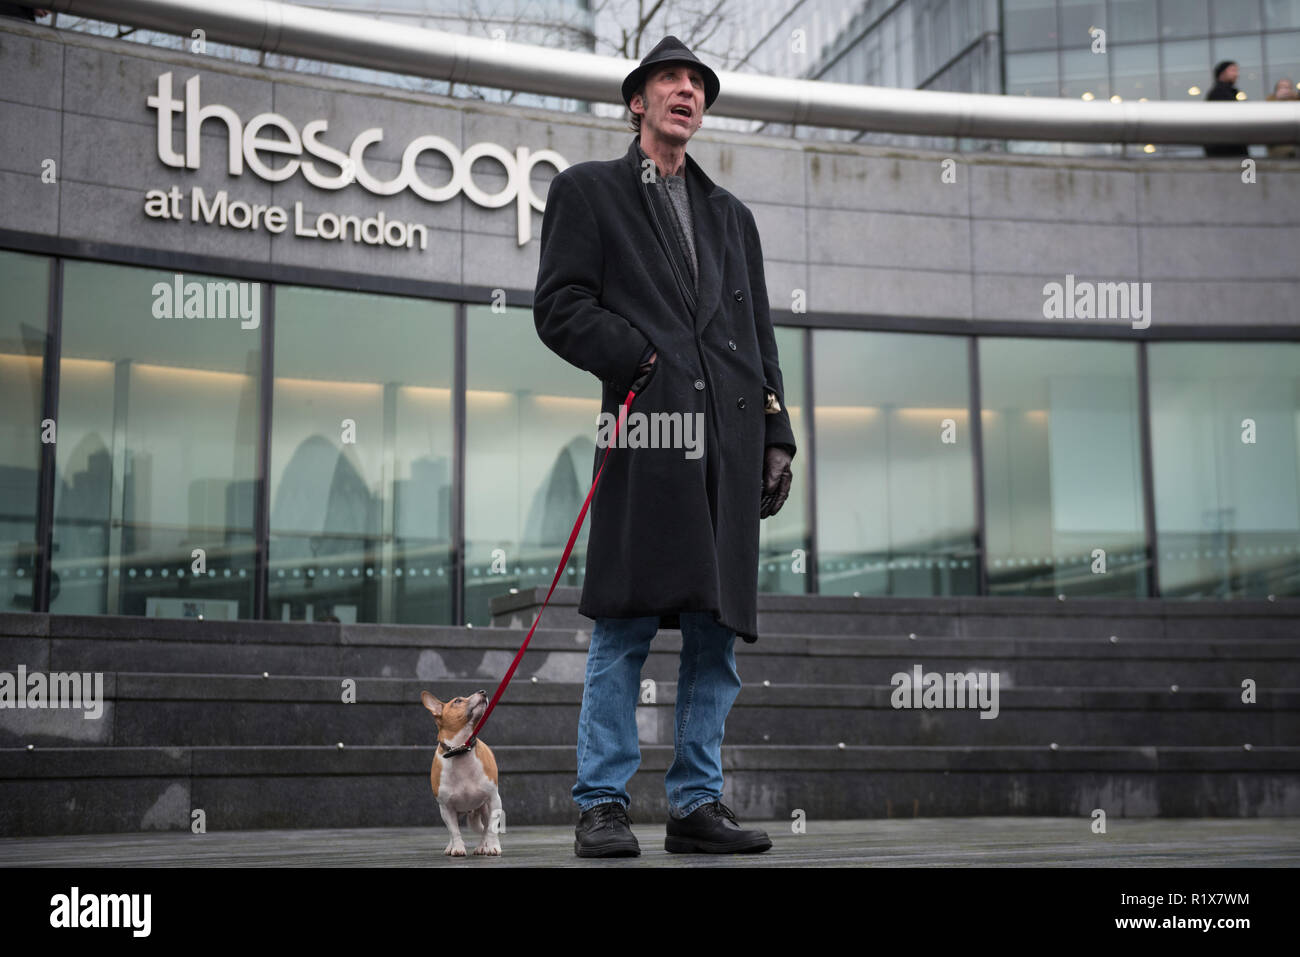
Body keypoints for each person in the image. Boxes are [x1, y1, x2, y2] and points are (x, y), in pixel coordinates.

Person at [533, 35, 797, 857]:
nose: (686, 91)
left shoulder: (733, 217)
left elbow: (759, 336)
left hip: (729, 445)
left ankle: (694, 804)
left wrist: (777, 434)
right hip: (647, 436)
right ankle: (602, 803)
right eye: (669, 80)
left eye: (697, 84)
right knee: (624, 622)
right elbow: (559, 307)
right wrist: (640, 357)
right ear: (637, 101)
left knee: (716, 637)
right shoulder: (589, 192)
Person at [1203, 61, 1250, 157]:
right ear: (1222, 73)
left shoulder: (1232, 92)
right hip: (1226, 148)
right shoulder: (1219, 93)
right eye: (1233, 70)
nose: (1237, 74)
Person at [1265, 78, 1298, 159]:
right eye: (1282, 87)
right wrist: (1277, 99)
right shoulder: (1270, 102)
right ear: (1276, 90)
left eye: (1288, 88)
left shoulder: (1296, 101)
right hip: (1278, 146)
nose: (1285, 90)